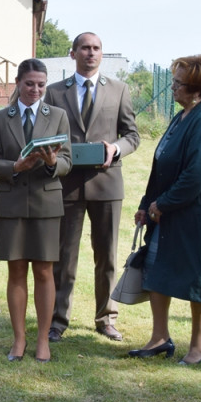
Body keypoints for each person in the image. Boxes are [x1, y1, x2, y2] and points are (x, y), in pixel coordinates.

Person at [128, 54, 201, 365]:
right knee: (157, 268)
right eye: (173, 80)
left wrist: (163, 204)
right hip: (169, 208)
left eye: (178, 83)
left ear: (197, 89)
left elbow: (194, 177)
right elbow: (161, 163)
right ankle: (160, 339)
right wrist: (147, 204)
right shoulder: (183, 115)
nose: (172, 87)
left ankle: (199, 347)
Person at [44, 32, 140, 343]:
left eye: (96, 48)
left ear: (102, 54)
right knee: (63, 257)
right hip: (66, 184)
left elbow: (132, 135)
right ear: (72, 54)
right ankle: (57, 320)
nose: (91, 53)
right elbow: (46, 131)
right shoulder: (55, 92)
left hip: (107, 184)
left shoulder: (119, 90)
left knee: (107, 257)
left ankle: (106, 318)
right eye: (85, 48)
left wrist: (115, 148)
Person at [0, 59, 72, 362]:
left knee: (45, 271)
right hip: (11, 203)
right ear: (18, 83)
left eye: (41, 85)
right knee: (16, 270)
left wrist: (52, 164)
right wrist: (15, 167)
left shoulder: (58, 116)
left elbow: (68, 161)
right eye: (30, 83)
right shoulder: (0, 118)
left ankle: (43, 340)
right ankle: (19, 340)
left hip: (47, 203)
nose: (35, 90)